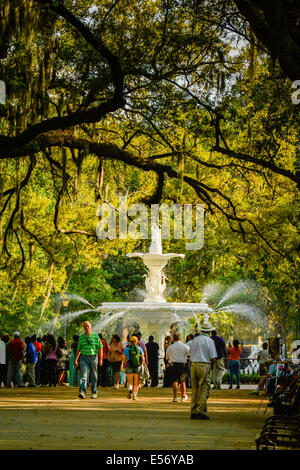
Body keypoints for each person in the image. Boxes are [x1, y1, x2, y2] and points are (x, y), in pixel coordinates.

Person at [189, 317, 217, 420]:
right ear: (209, 331)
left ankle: (193, 409)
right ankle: (199, 410)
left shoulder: (194, 340)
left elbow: (190, 355)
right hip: (204, 365)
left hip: (193, 365)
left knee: (195, 388)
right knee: (204, 388)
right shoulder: (209, 341)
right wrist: (212, 366)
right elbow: (213, 357)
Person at [74, 321, 103, 399]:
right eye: (85, 326)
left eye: (88, 326)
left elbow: (100, 348)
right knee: (84, 374)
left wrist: (100, 359)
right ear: (83, 328)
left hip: (93, 358)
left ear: (91, 327)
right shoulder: (81, 337)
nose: (87, 327)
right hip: (84, 358)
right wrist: (76, 360)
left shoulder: (95, 336)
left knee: (94, 375)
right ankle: (82, 392)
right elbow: (78, 349)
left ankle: (94, 392)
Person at [166, 333, 190, 402]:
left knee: (175, 381)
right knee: (182, 381)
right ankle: (183, 396)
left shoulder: (170, 347)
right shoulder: (185, 346)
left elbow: (167, 358)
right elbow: (189, 354)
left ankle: (175, 397)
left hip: (173, 365)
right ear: (180, 338)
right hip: (182, 365)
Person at [122, 335, 144, 400]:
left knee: (130, 381)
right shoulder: (139, 348)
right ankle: (135, 395)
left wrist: (124, 363)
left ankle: (130, 389)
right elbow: (143, 358)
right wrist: (142, 364)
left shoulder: (127, 348)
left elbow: (123, 357)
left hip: (129, 364)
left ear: (130, 342)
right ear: (137, 342)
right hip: (137, 365)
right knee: (136, 382)